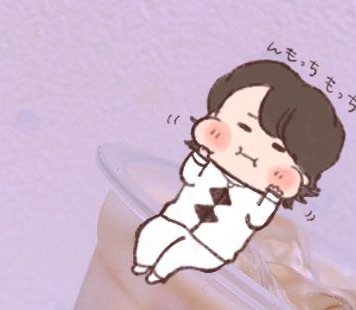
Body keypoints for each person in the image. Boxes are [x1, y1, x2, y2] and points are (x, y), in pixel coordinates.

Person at [132, 59, 345, 284]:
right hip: (175, 220)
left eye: (277, 148)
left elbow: (257, 217)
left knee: (179, 256)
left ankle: (157, 273)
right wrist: (200, 157)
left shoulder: (256, 197)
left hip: (212, 248)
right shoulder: (211, 169)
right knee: (151, 233)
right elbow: (190, 175)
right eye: (244, 127)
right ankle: (142, 264)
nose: (251, 149)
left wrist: (271, 197)